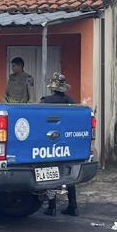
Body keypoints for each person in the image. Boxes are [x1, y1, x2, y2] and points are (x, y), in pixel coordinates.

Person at [40, 72, 78, 217]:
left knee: (50, 174)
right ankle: (73, 205)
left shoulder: (45, 101)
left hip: (50, 142)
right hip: (66, 142)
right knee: (68, 173)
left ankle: (52, 207)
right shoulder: (71, 102)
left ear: (52, 87)